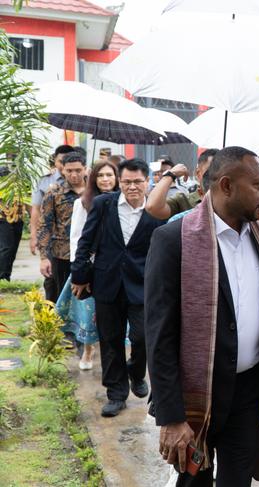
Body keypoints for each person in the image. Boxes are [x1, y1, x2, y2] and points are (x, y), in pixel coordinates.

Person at [144, 146, 259, 487]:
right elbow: (159, 335)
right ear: (226, 185)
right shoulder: (173, 240)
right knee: (194, 481)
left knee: (237, 481)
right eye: (258, 185)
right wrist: (170, 417)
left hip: (248, 392)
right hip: (197, 395)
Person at [71, 158, 165, 417]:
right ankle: (116, 393)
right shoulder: (103, 204)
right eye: (126, 182)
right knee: (110, 341)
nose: (132, 186)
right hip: (107, 283)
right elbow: (85, 240)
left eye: (137, 181)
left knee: (143, 337)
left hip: (143, 284)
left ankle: (136, 372)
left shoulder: (157, 210)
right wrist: (79, 276)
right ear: (119, 182)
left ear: (148, 182)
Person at [56, 161, 119, 370]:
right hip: (90, 265)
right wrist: (79, 271)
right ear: (94, 179)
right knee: (88, 310)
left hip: (117, 266)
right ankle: (88, 350)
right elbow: (76, 237)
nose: (106, 179)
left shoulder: (124, 200)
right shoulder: (83, 202)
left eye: (110, 175)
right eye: (101, 175)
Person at [37, 151, 87, 302]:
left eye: (78, 170)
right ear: (62, 170)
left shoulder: (95, 192)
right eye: (69, 171)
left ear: (85, 168)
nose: (73, 175)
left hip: (89, 253)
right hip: (62, 254)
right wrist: (44, 258)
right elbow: (45, 225)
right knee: (61, 297)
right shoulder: (54, 192)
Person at [31, 144, 74, 300]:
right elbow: (37, 211)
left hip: (78, 246)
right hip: (53, 242)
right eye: (61, 161)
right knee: (53, 284)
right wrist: (34, 235)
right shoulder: (46, 182)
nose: (64, 165)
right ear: (55, 161)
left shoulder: (86, 184)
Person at [146, 149, 218, 220]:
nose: (218, 176)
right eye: (210, 172)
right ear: (198, 173)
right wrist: (170, 175)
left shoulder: (228, 200)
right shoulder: (185, 200)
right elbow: (152, 207)